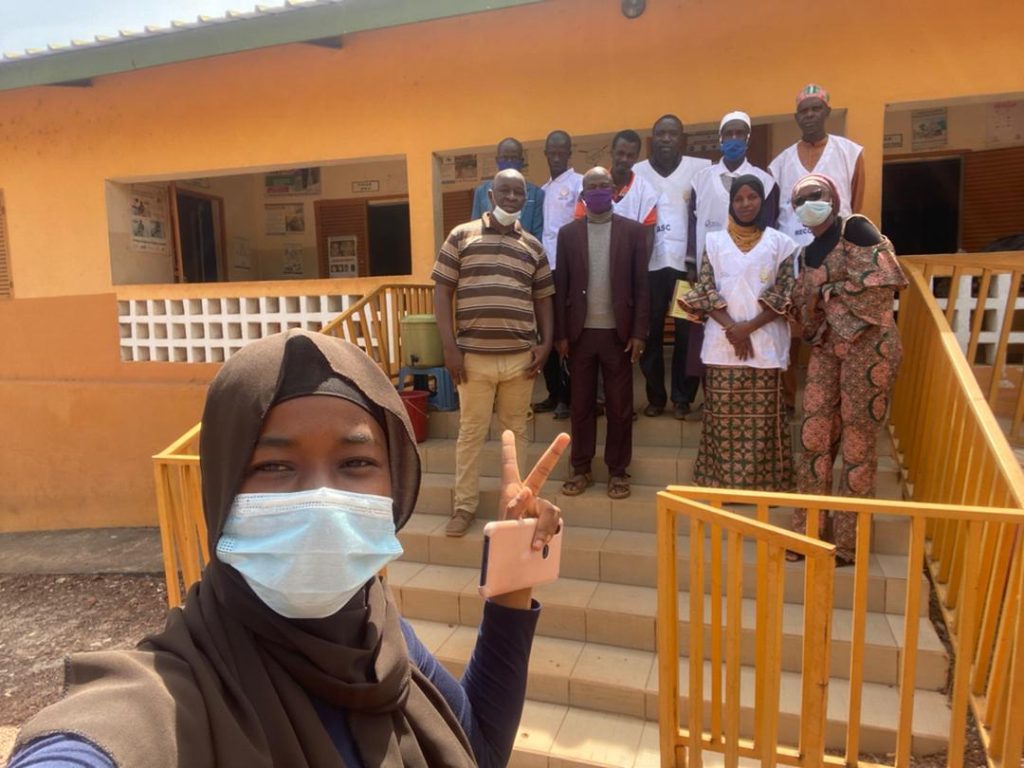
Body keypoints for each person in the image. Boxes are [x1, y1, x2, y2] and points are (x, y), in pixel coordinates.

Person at [9, 329, 569, 768]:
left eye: (355, 463)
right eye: (274, 466)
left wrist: (513, 580)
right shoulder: (173, 689)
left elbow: (478, 749)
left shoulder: (382, 640)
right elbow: (100, 740)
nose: (321, 497)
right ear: (223, 486)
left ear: (394, 485)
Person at [786, 173, 907, 565]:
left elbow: (883, 279)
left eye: (815, 195)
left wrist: (824, 291)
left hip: (868, 347)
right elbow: (807, 307)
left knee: (857, 440)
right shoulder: (807, 252)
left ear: (833, 197)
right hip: (827, 346)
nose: (809, 203)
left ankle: (848, 542)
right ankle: (809, 532)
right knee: (814, 434)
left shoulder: (855, 227)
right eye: (800, 200)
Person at [434, 169, 555, 537]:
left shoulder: (532, 245)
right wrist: (450, 348)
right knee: (470, 433)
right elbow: (442, 291)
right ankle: (464, 507)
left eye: (519, 193)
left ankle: (514, 505)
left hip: (520, 359)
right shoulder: (461, 235)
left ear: (526, 199)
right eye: (504, 191)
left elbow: (543, 299)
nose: (512, 198)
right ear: (490, 195)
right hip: (473, 359)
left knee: (515, 433)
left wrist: (545, 344)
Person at [678, 175, 796, 491]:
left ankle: (767, 487)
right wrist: (734, 328)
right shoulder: (714, 243)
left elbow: (786, 291)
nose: (745, 204)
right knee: (722, 420)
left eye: (752, 197)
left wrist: (748, 329)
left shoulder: (781, 244)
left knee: (764, 424)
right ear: (731, 203)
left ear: (762, 201)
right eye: (739, 198)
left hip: (765, 345)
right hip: (722, 345)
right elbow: (704, 289)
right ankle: (722, 486)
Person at [553, 167, 650, 500]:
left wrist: (639, 332)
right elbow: (561, 285)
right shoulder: (568, 235)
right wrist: (561, 335)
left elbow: (642, 286)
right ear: (582, 195)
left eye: (603, 186)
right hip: (580, 336)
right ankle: (580, 467)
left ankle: (618, 471)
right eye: (590, 187)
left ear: (614, 191)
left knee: (620, 407)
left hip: (618, 336)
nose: (597, 191)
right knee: (580, 406)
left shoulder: (634, 233)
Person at [769, 84, 866, 413]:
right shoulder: (780, 163)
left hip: (837, 258)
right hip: (795, 261)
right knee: (791, 328)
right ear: (796, 117)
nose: (809, 115)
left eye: (815, 109)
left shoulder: (849, 153)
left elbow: (856, 204)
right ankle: (787, 399)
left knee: (838, 326)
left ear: (826, 111)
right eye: (804, 110)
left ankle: (837, 398)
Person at [634, 115, 710, 420]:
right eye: (660, 134)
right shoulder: (638, 173)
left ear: (682, 139)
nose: (666, 139)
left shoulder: (700, 169)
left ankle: (682, 398)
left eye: (672, 134)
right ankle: (655, 397)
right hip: (650, 271)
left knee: (685, 332)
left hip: (684, 268)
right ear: (654, 138)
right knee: (650, 332)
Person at [533, 130, 584, 421]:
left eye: (561, 150)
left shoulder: (579, 184)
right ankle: (554, 393)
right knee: (548, 333)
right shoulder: (542, 190)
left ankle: (571, 395)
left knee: (569, 334)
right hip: (544, 270)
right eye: (550, 151)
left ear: (569, 152)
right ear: (545, 153)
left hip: (570, 269)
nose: (556, 156)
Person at [470, 137, 545, 241]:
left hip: (522, 252)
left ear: (522, 161)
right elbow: (475, 226)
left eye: (514, 158)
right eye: (504, 158)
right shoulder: (481, 191)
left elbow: (538, 234)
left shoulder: (536, 194)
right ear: (497, 161)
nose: (509, 163)